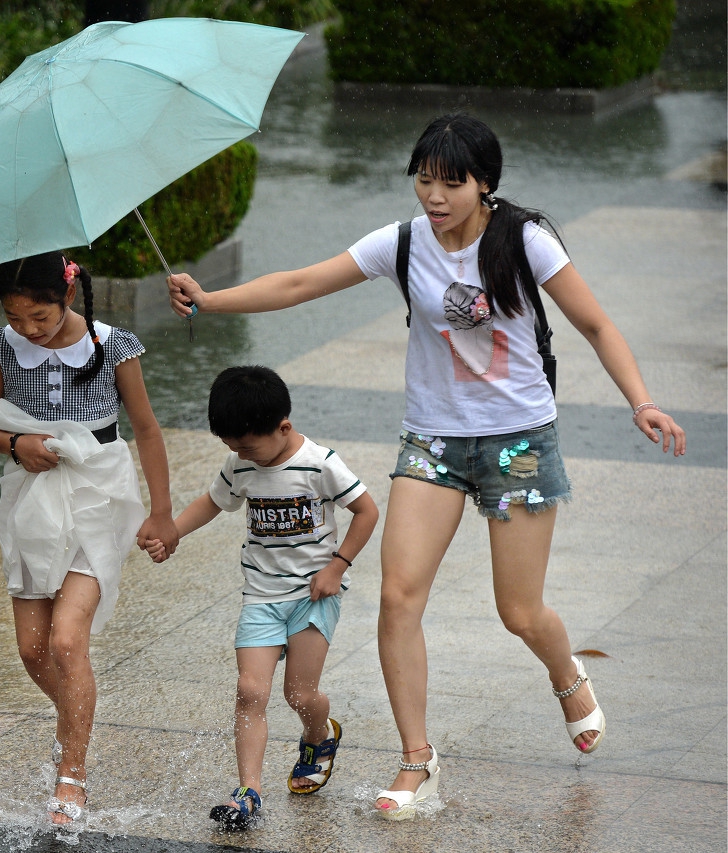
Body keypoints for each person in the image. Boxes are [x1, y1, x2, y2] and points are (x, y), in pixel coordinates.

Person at [166, 114, 686, 821]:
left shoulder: (525, 241)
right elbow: (300, 283)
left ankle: (566, 673)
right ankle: (417, 758)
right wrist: (211, 300)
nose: (434, 196)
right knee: (398, 599)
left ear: (485, 183)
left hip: (517, 443)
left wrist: (642, 401)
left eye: (451, 182)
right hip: (433, 442)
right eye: (423, 179)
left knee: (518, 611)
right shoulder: (404, 243)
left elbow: (595, 324)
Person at [0, 251, 180, 826]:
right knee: (31, 650)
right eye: (16, 316)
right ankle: (77, 717)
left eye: (40, 316)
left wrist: (162, 513)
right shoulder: (1, 347)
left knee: (65, 641)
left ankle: (71, 775)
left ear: (68, 294)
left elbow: (146, 428)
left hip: (99, 495)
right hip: (31, 499)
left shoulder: (113, 345)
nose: (29, 328)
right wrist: (16, 445)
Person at [145, 365, 379, 829]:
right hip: (261, 594)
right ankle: (248, 792)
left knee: (299, 694)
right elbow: (213, 501)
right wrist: (173, 532)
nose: (239, 454)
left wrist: (337, 566)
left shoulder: (319, 463)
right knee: (250, 690)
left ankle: (319, 735)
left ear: (283, 428)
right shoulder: (241, 463)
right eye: (231, 446)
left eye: (248, 446)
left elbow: (367, 511)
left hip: (313, 594)